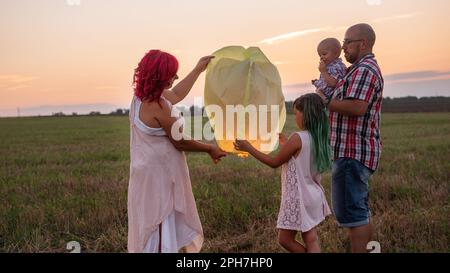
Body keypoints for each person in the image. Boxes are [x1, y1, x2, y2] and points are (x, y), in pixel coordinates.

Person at [127, 50, 227, 253]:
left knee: (151, 224)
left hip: (144, 175)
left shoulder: (140, 98)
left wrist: (198, 69)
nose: (176, 77)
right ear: (160, 75)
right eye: (172, 73)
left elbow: (177, 94)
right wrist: (210, 148)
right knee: (160, 224)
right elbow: (179, 141)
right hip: (159, 178)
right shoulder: (158, 105)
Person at [234, 93, 332, 253]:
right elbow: (301, 157)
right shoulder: (318, 138)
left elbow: (274, 163)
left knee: (284, 239)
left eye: (297, 113)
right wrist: (286, 143)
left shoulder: (298, 138)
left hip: (298, 197)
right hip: (313, 195)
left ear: (306, 114)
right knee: (311, 238)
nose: (295, 118)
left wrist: (248, 148)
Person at [317, 23, 384, 253]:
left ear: (363, 43)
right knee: (358, 211)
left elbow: (357, 107)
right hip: (350, 151)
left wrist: (324, 102)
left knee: (353, 214)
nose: (343, 47)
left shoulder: (365, 69)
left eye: (347, 42)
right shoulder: (355, 70)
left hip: (352, 152)